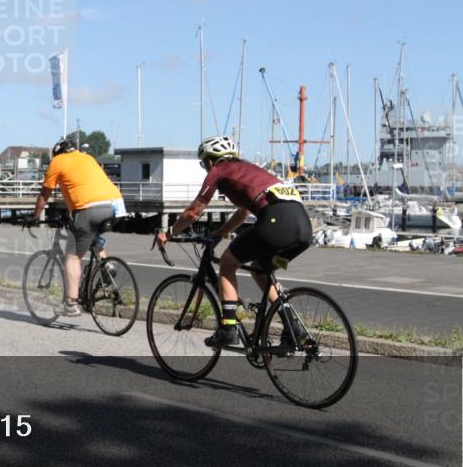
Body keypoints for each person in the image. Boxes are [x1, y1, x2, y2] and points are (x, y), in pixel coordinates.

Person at [154, 136, 313, 348]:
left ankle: (229, 328)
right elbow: (244, 211)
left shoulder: (218, 171)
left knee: (228, 264)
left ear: (210, 160)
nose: (205, 168)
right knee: (259, 269)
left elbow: (194, 211)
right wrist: (220, 233)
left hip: (276, 222)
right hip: (302, 229)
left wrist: (169, 233)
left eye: (203, 164)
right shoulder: (250, 169)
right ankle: (293, 328)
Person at [30, 137, 126, 317]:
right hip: (116, 205)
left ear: (57, 153)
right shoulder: (87, 157)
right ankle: (106, 265)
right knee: (90, 232)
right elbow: (84, 185)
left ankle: (71, 304)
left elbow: (45, 194)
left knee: (72, 256)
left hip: (90, 208)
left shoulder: (57, 162)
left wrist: (35, 216)